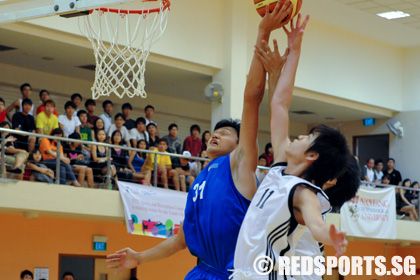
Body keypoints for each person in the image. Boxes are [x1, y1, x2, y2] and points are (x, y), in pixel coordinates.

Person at [106, 2, 293, 277]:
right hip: (199, 272)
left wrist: (262, 33)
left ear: (241, 144)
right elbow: (181, 240)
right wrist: (139, 257)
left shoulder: (239, 163)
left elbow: (251, 98)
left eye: (226, 132)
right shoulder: (200, 180)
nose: (216, 134)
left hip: (232, 273)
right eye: (215, 131)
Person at [232, 13, 353, 279]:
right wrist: (295, 50)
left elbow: (316, 223)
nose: (297, 137)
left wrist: (329, 235)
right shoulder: (279, 169)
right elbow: (279, 105)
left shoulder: (304, 193)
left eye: (305, 138)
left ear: (311, 155)